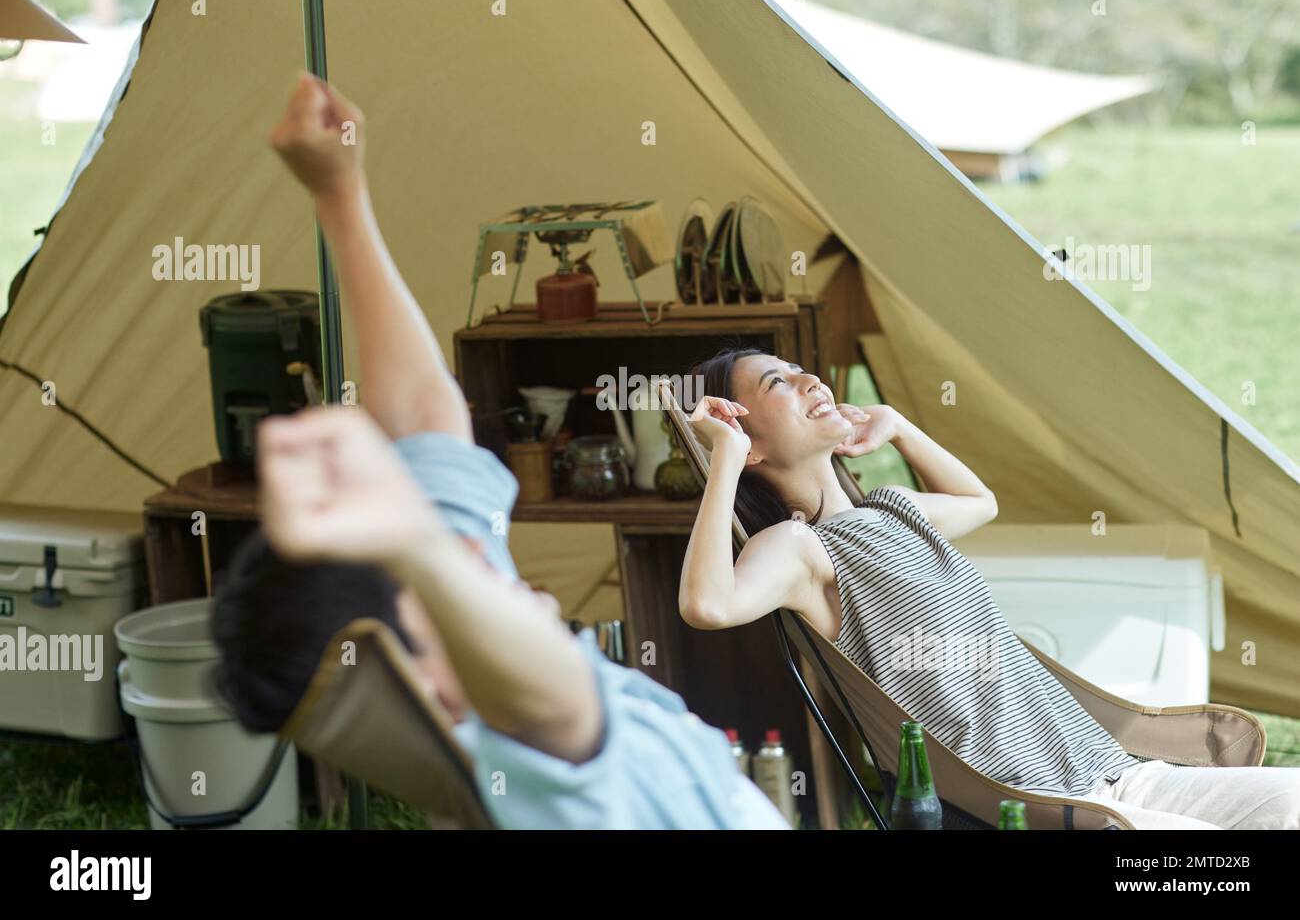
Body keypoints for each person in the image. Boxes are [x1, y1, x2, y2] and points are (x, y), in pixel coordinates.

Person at [210, 74, 788, 830]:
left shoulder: (466, 630)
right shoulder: (536, 779)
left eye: (454, 551)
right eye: (441, 571)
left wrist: (339, 195)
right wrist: (415, 543)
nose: (477, 560)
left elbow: (426, 418)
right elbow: (549, 697)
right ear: (426, 684)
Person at [678, 346, 1300, 829]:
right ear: (749, 438)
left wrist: (896, 427)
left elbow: (980, 502)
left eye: (800, 369)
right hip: (1045, 804)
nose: (811, 381)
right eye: (778, 384)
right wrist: (725, 459)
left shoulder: (893, 511)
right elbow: (707, 604)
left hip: (1111, 770)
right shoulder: (800, 550)